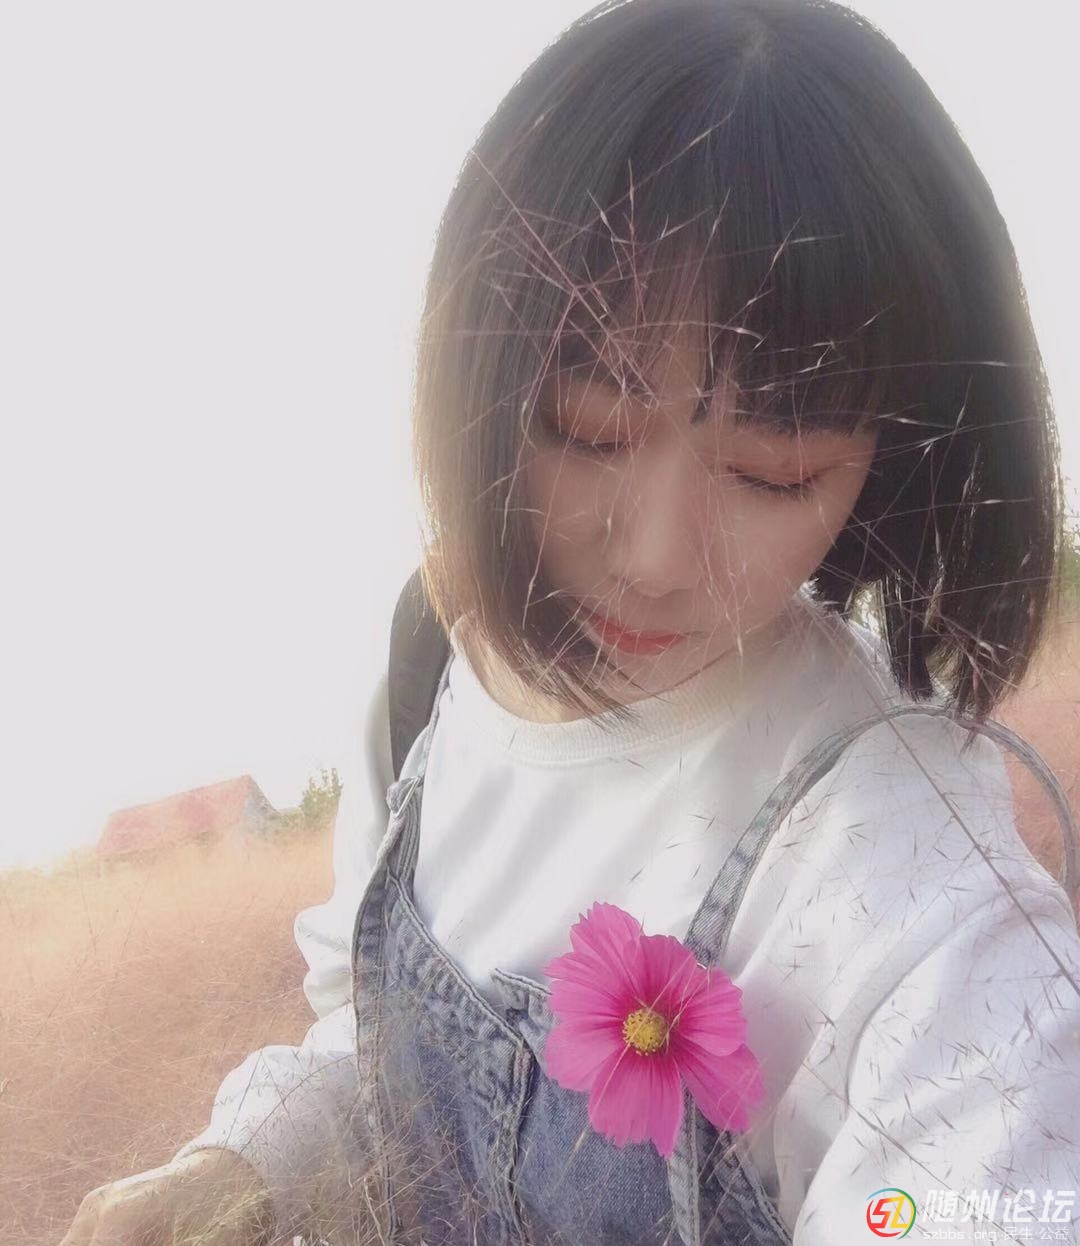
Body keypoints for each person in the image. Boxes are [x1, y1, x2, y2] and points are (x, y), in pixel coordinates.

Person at [61, 0, 1080, 1243]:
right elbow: (371, 1046)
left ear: (889, 458)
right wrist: (249, 1166)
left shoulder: (914, 886)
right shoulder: (428, 666)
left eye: (773, 474)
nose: (655, 558)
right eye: (587, 430)